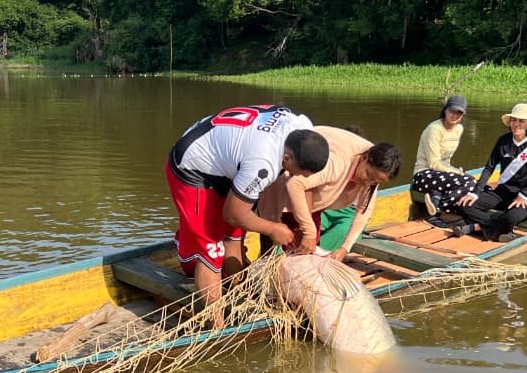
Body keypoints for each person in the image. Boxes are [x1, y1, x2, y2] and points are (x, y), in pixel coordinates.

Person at [166, 104, 329, 306]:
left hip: (224, 158)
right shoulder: (264, 163)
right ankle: (216, 325)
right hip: (192, 167)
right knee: (212, 252)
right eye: (300, 171)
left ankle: (240, 293)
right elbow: (232, 214)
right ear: (287, 157)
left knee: (233, 236)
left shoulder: (301, 125)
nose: (299, 177)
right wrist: (273, 229)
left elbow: (236, 220)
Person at [257, 126, 402, 263]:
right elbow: (295, 184)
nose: (368, 183)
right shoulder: (338, 161)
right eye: (369, 176)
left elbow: (364, 212)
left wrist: (345, 248)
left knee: (307, 250)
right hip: (282, 184)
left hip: (312, 199)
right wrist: (309, 231)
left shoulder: (375, 171)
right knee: (274, 248)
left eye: (376, 182)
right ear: (365, 158)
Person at [450, 102, 527, 242]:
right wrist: (475, 192)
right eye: (514, 120)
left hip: (526, 196)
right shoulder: (503, 141)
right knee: (465, 205)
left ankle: (475, 228)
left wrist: (524, 194)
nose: (516, 124)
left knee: (512, 216)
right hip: (502, 191)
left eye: (521, 121)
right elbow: (489, 168)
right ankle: (500, 231)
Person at [411, 93, 475, 215]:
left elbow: (445, 161)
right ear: (445, 110)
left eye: (459, 113)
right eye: (452, 111)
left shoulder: (459, 129)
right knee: (469, 182)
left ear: (462, 116)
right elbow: (433, 163)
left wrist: (453, 171)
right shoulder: (434, 129)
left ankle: (436, 201)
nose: (455, 115)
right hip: (424, 175)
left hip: (442, 174)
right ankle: (440, 208)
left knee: (473, 183)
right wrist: (455, 171)